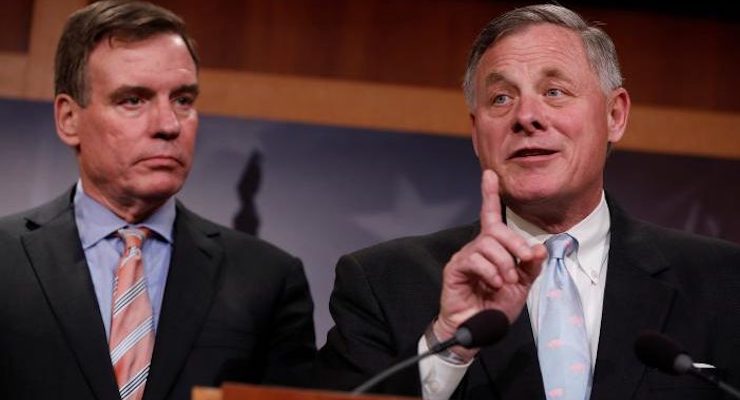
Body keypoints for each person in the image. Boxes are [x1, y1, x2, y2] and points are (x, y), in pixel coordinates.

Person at [318, 4, 740, 400]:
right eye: (501, 98)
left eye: (555, 91)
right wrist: (449, 346)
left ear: (615, 116)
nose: (526, 116)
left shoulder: (723, 282)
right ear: (476, 133)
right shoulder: (381, 282)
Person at [0, 1, 315, 399]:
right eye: (133, 100)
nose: (168, 125)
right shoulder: (4, 259)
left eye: (183, 100)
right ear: (69, 119)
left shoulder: (267, 280)